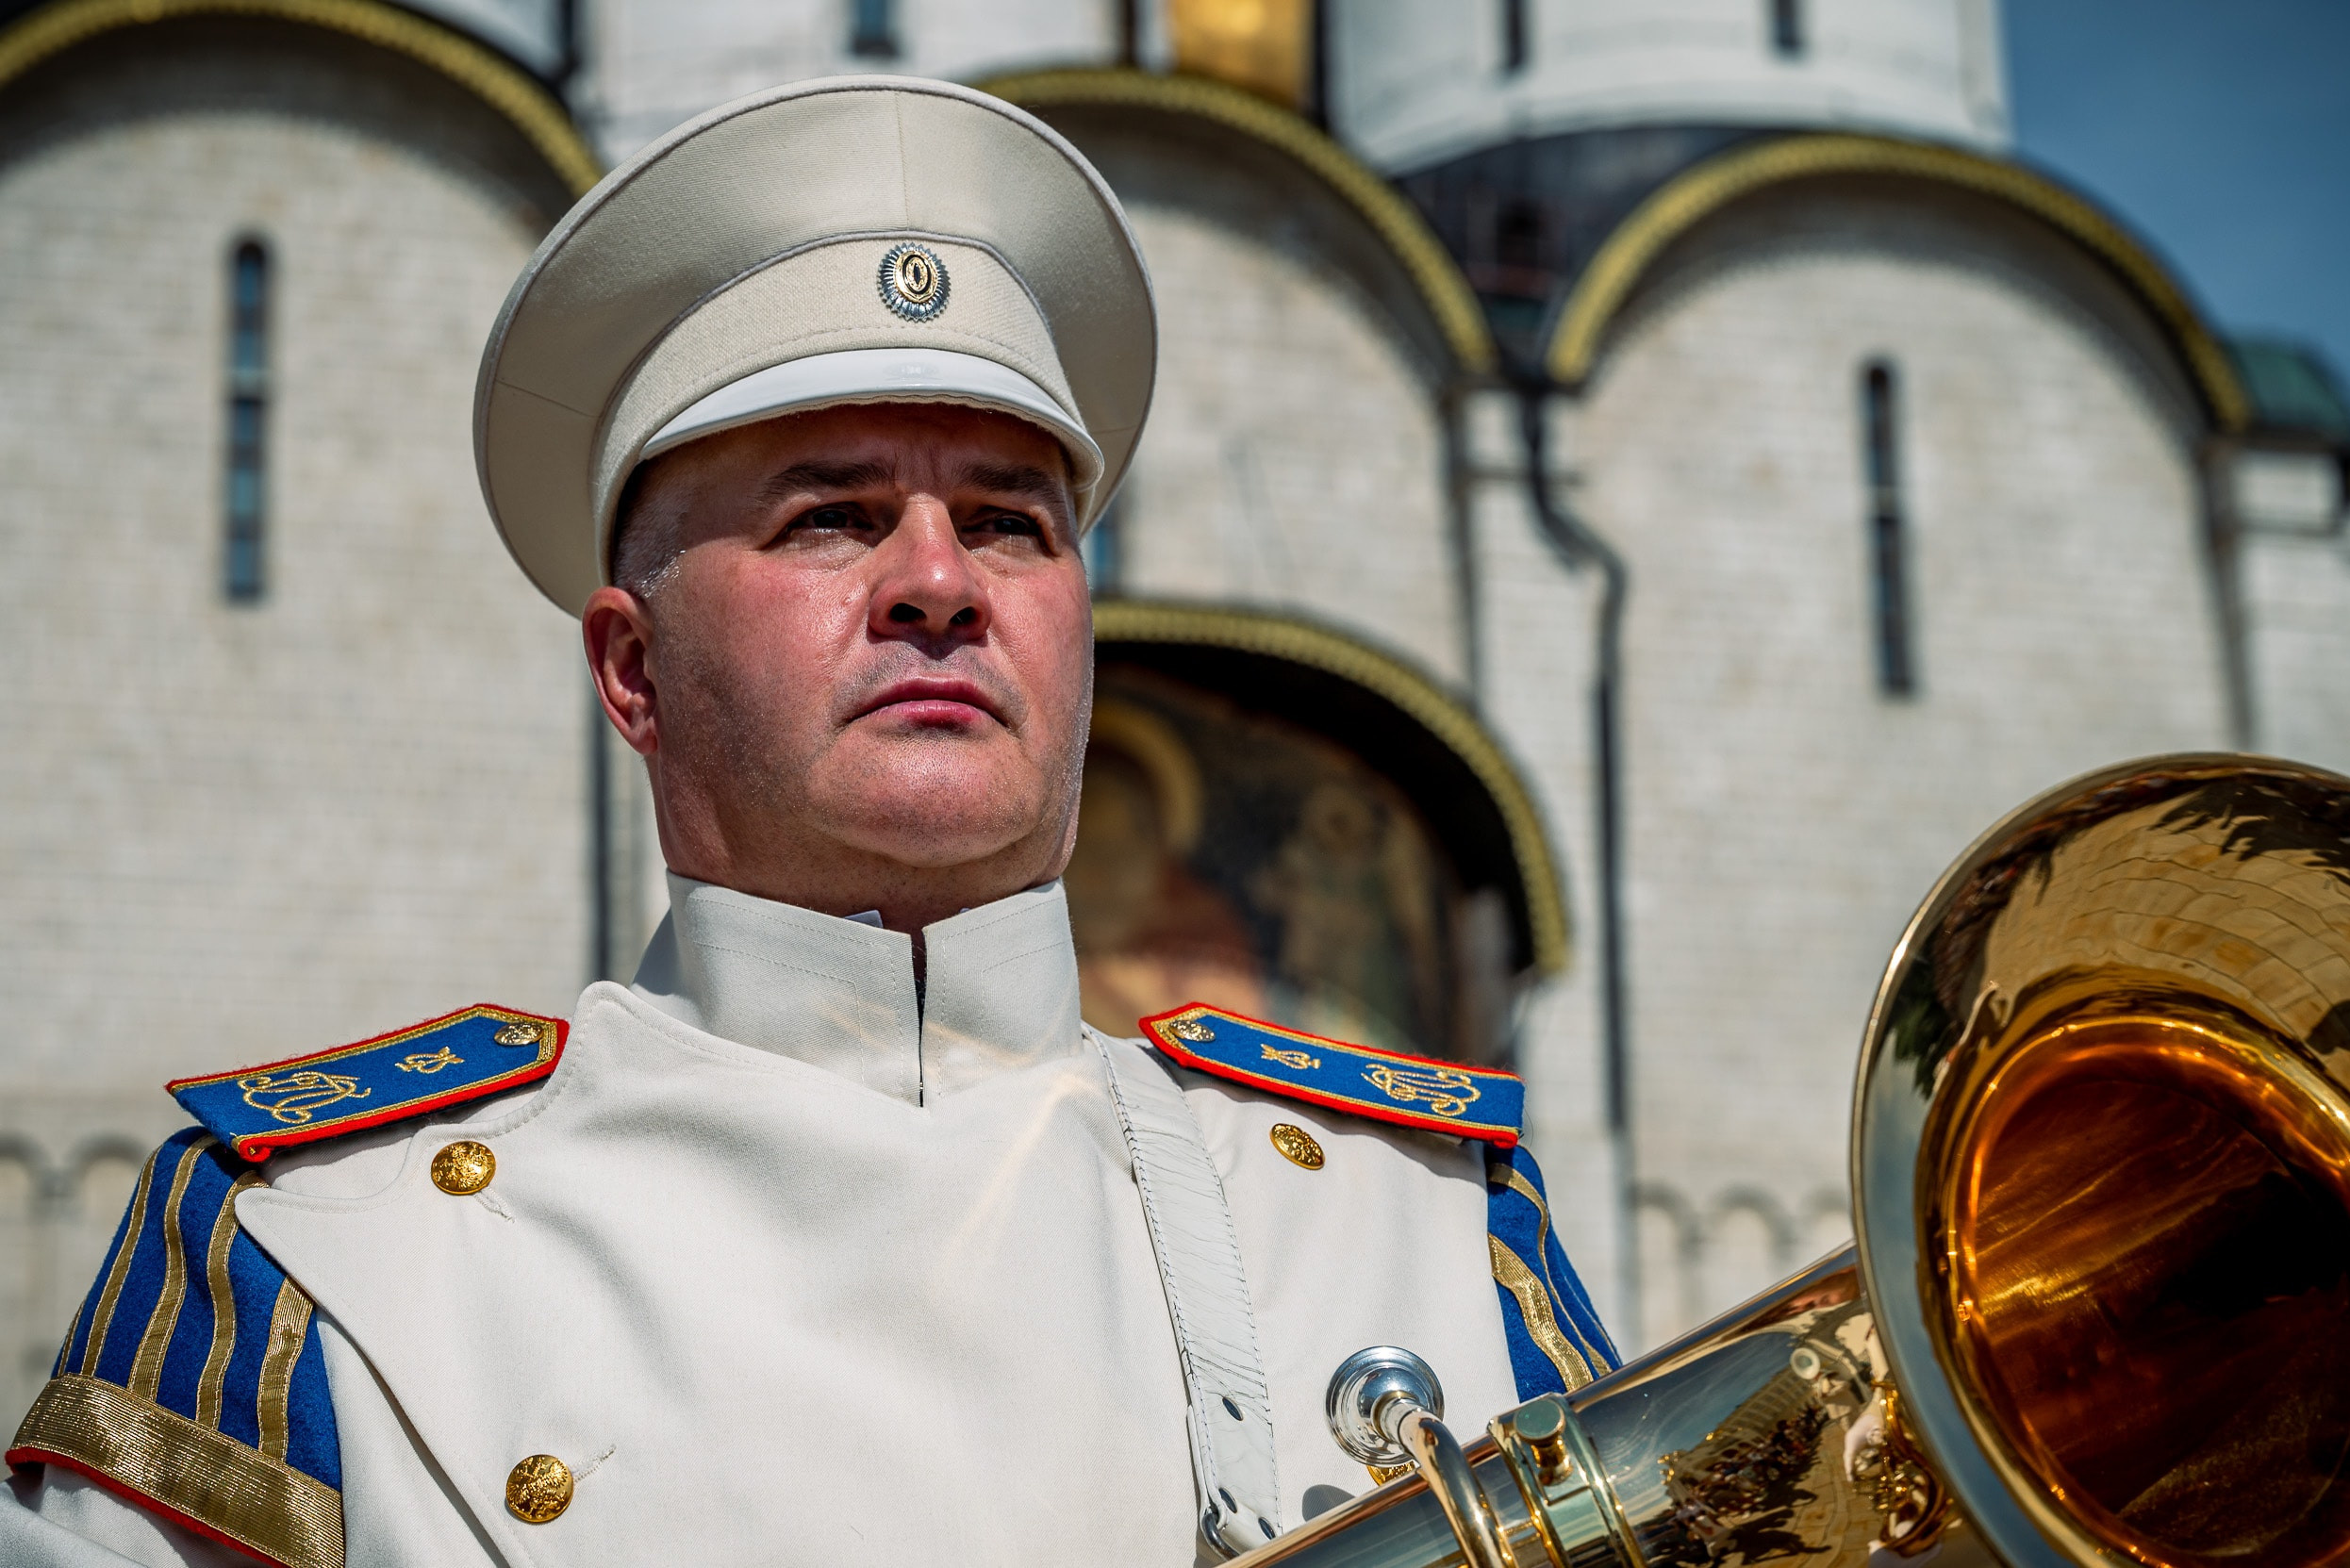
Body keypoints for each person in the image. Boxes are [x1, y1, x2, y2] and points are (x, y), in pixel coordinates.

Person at [3, 78, 1614, 1568]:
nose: (938, 582)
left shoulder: (1423, 1220)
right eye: (832, 516)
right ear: (634, 669)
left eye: (1009, 524)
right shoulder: (314, 1252)